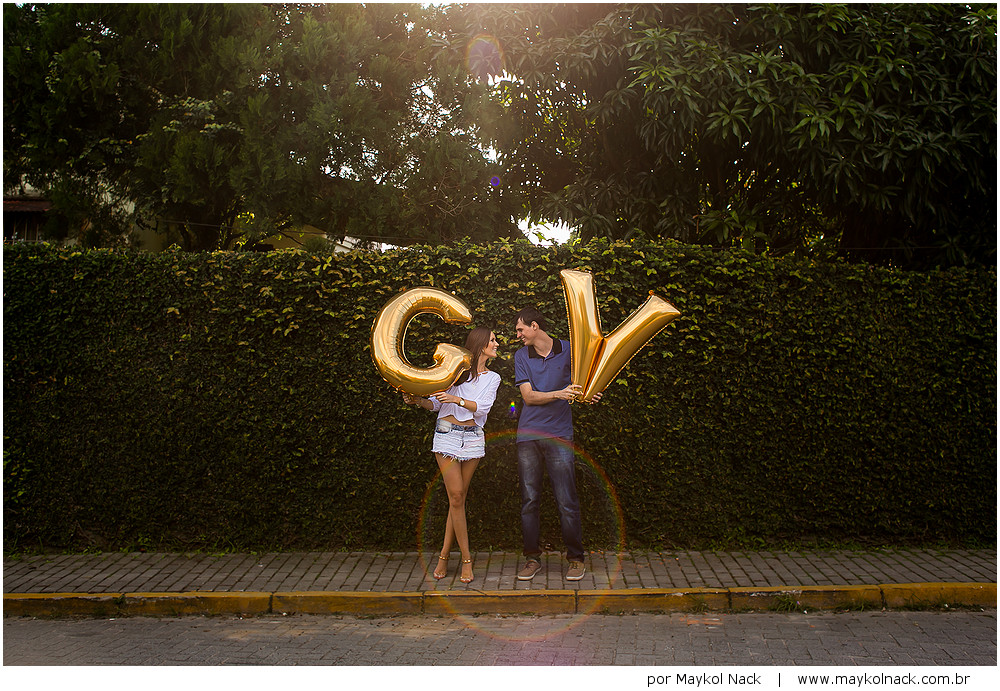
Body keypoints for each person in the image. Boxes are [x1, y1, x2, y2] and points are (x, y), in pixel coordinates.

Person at [402, 327, 500, 584]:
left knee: (457, 500)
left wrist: (455, 401)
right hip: (446, 433)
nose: (497, 344)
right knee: (456, 496)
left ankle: (444, 555)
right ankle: (466, 560)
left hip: (473, 437)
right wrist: (417, 401)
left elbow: (483, 407)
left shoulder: (493, 378)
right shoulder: (455, 372)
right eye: (492, 340)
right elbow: (437, 402)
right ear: (480, 344)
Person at [512, 306, 601, 581]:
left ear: (535, 326)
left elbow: (587, 378)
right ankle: (531, 559)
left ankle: (575, 559)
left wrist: (591, 392)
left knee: (567, 499)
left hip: (560, 435)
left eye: (520, 329)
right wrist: (560, 394)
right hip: (528, 437)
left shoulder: (569, 349)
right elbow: (527, 397)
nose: (518, 335)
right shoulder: (521, 355)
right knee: (529, 500)